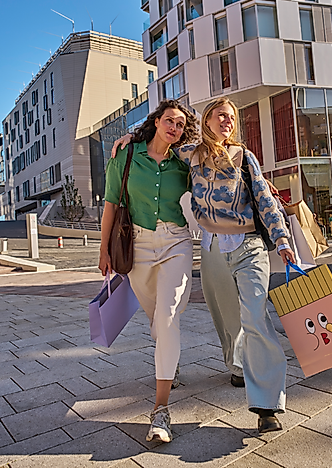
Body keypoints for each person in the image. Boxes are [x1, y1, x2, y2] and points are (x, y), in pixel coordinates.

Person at [112, 97, 296, 434]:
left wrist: (282, 240)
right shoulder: (191, 154)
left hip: (248, 245)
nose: (226, 121)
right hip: (211, 248)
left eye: (231, 117)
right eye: (220, 116)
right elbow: (159, 145)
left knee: (255, 315)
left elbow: (265, 201)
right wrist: (130, 139)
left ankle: (267, 405)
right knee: (225, 316)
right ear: (208, 120)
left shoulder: (244, 157)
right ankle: (237, 364)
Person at [98, 99, 200, 443]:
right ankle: (169, 360)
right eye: (169, 121)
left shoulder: (184, 163)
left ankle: (160, 411)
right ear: (156, 122)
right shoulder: (126, 156)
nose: (174, 127)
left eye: (180, 125)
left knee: (168, 315)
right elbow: (112, 203)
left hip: (176, 242)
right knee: (157, 320)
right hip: (137, 247)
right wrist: (103, 251)